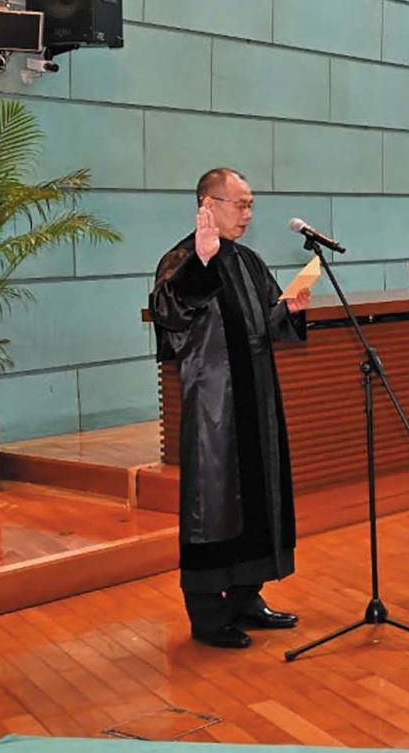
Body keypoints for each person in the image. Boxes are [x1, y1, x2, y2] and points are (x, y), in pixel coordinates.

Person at [150, 168, 309, 649]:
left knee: (258, 498)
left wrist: (289, 310)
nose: (248, 214)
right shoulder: (182, 259)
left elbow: (265, 320)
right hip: (214, 405)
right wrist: (201, 264)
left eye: (251, 204)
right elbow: (169, 314)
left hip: (256, 399)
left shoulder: (248, 260)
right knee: (212, 507)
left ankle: (246, 597)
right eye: (240, 204)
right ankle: (207, 615)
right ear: (208, 205)